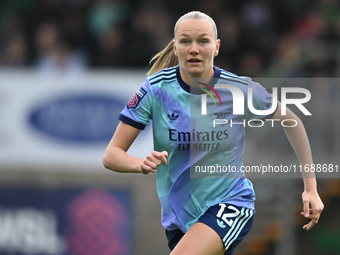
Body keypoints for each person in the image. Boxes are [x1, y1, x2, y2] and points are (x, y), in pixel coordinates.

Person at [103, 11, 324, 255]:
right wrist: (140, 164)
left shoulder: (238, 90)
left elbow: (292, 122)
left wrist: (310, 188)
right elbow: (111, 155)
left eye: (203, 41)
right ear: (175, 48)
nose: (194, 49)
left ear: (216, 47)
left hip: (231, 204)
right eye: (186, 41)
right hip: (180, 219)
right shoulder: (156, 89)